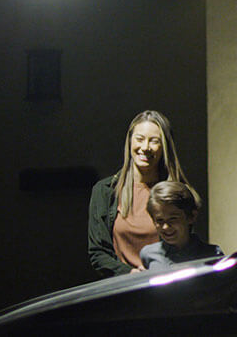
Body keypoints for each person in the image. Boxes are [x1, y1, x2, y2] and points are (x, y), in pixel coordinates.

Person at [88, 110, 200, 277]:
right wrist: (130, 274)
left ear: (164, 147)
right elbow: (98, 253)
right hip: (123, 287)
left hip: (166, 285)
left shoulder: (178, 194)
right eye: (139, 139)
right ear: (130, 141)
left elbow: (185, 248)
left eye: (154, 141)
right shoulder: (104, 191)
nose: (145, 147)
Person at [139, 181, 223, 270]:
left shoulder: (212, 254)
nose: (165, 227)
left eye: (173, 218)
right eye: (160, 220)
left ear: (191, 216)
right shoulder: (148, 254)